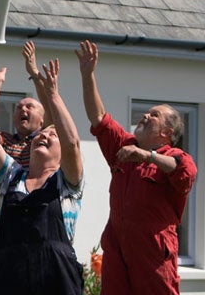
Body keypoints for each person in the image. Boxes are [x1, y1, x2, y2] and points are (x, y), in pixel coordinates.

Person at [76, 40, 196, 294]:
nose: (145, 115)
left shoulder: (174, 155)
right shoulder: (125, 146)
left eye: (154, 115)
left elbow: (183, 171)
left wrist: (146, 156)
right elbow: (98, 117)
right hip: (118, 248)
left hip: (153, 252)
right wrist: (88, 75)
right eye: (147, 112)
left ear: (167, 132)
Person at [0, 53, 84, 294]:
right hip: (8, 278)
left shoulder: (68, 183)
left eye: (52, 135)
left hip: (56, 280)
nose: (43, 136)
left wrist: (53, 94)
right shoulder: (10, 176)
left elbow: (73, 143)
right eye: (41, 135)